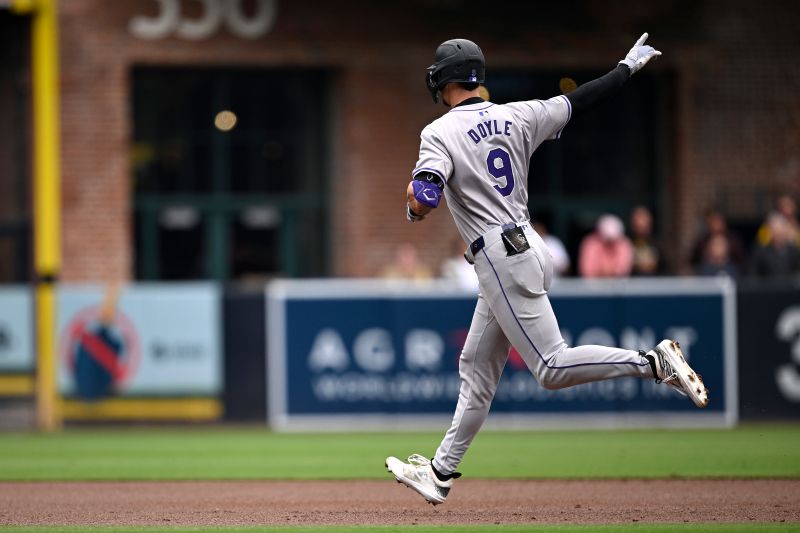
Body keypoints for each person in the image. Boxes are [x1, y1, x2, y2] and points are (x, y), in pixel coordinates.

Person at [385, 34, 708, 506]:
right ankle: (439, 472)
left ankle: (653, 363)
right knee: (475, 368)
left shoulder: (439, 133)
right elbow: (581, 100)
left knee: (551, 367)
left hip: (498, 257)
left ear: (441, 81)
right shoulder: (518, 114)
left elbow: (427, 196)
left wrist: (414, 204)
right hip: (528, 245)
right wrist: (625, 69)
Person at [688, 208, 746, 273]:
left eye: (718, 221)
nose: (716, 224)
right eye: (713, 221)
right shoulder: (702, 241)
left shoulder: (733, 240)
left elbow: (741, 261)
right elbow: (693, 261)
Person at [749, 213, 800, 278]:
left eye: (780, 232)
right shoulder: (760, 252)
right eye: (775, 232)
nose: (778, 235)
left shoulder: (794, 251)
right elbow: (753, 276)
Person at [628, 205, 664, 276]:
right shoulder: (626, 244)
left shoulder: (658, 244)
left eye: (644, 220)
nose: (641, 224)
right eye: (637, 221)